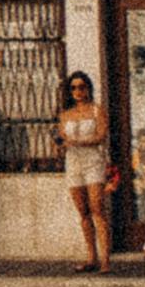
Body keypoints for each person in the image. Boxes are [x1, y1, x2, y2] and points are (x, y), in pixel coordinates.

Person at [57, 69, 114, 269]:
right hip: (73, 162)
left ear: (88, 88)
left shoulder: (97, 110)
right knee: (83, 211)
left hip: (92, 160)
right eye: (73, 88)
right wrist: (62, 143)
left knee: (97, 208)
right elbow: (62, 138)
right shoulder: (66, 114)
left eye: (81, 87)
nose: (78, 91)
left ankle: (105, 259)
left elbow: (101, 135)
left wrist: (78, 141)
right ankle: (91, 257)